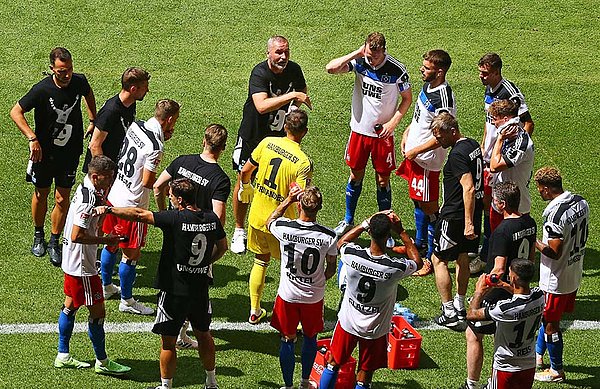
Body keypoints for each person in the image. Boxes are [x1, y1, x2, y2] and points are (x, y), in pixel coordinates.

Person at [94, 178, 227, 389]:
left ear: (181, 200)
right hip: (200, 290)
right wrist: (207, 262)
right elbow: (222, 247)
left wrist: (110, 211)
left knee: (168, 342)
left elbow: (139, 214)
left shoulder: (175, 218)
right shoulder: (212, 218)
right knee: (204, 334)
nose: (170, 199)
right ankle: (211, 382)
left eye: (172, 196)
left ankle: (166, 385)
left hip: (174, 290)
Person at [10, 47, 97, 266]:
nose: (66, 75)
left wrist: (93, 119)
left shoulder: (79, 81)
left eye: (68, 69)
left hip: (70, 151)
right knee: (41, 193)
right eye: (61, 71)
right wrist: (32, 138)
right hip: (45, 153)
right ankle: (38, 235)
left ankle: (54, 240)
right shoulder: (42, 90)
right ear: (52, 69)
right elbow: (15, 112)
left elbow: (88, 93)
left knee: (62, 197)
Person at [325, 32, 412, 247]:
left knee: (383, 180)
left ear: (384, 50)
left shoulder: (396, 70)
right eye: (369, 54)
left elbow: (407, 99)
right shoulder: (360, 62)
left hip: (382, 136)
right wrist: (357, 53)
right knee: (356, 175)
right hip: (359, 132)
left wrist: (392, 124)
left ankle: (385, 226)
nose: (371, 60)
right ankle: (347, 220)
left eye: (375, 56)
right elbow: (331, 68)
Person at [319, 211, 421, 389]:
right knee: (364, 376)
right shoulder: (394, 268)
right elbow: (417, 262)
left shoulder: (352, 255)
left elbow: (341, 242)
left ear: (369, 233)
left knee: (332, 363)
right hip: (375, 329)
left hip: (348, 323)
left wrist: (364, 223)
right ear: (389, 236)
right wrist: (402, 232)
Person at [231, 35, 312, 254]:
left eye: (286, 52)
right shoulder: (260, 73)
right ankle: (239, 229)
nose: (283, 57)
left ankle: (276, 223)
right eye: (278, 52)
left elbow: (303, 94)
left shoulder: (294, 70)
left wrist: (295, 107)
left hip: (278, 138)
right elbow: (261, 106)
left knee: (276, 182)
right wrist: (293, 95)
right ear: (268, 53)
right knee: (243, 179)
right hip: (254, 135)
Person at [153, 123, 230, 350]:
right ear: (222, 148)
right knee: (194, 292)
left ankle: (179, 334)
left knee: (171, 283)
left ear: (204, 141)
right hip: (199, 241)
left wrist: (165, 215)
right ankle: (182, 333)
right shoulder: (220, 179)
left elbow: (158, 187)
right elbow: (218, 217)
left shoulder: (182, 161)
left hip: (175, 234)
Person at [101, 99, 180, 315]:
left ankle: (106, 286)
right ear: (170, 119)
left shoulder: (136, 126)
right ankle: (127, 301)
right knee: (131, 255)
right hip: (133, 206)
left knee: (110, 242)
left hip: (115, 194)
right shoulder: (156, 147)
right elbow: (147, 182)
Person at [54, 155, 130, 376]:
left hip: (72, 260)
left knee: (70, 305)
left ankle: (63, 354)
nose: (112, 181)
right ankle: (103, 362)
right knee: (98, 314)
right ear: (96, 177)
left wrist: (105, 209)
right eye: (108, 178)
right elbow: (78, 235)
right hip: (83, 266)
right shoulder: (88, 200)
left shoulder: (86, 189)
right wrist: (108, 240)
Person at [238, 109, 313, 324]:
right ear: (304, 132)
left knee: (260, 262)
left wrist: (246, 187)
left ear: (284, 127)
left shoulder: (267, 142)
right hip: (282, 225)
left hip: (258, 216)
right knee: (289, 270)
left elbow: (245, 171)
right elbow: (299, 197)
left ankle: (254, 310)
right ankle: (287, 316)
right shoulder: (302, 162)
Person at [463, 182, 537, 389]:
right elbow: (530, 258)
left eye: (494, 200)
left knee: (473, 333)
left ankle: (472, 384)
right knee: (502, 335)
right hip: (520, 288)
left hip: (500, 292)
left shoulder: (502, 231)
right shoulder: (530, 222)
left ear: (502, 204)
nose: (492, 203)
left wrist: (482, 289)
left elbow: (498, 269)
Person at [266, 185, 337, 389]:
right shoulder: (329, 236)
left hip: (288, 295)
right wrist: (319, 280)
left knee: (287, 339)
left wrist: (288, 199)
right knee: (311, 337)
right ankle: (305, 382)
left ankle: (288, 386)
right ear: (319, 208)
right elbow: (331, 268)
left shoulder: (284, 228)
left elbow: (269, 221)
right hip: (313, 296)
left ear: (299, 206)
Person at [472, 53, 535, 275]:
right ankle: (488, 249)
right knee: (489, 203)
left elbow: (528, 122)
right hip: (490, 157)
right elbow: (489, 125)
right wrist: (483, 147)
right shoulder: (489, 89)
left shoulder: (510, 93)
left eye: (485, 73)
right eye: (480, 72)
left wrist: (515, 150)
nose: (481, 76)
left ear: (497, 72)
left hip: (504, 160)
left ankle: (493, 254)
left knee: (504, 206)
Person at [397, 49, 455, 276]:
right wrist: (407, 133)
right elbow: (420, 118)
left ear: (439, 72)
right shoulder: (427, 87)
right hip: (415, 155)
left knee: (430, 210)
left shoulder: (444, 99)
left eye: (427, 68)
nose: (422, 69)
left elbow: (443, 135)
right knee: (417, 201)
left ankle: (432, 258)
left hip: (427, 161)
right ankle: (419, 246)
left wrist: (416, 150)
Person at [533, 167, 589, 383]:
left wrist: (533, 240)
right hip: (574, 271)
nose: (539, 192)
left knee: (550, 324)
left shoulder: (554, 215)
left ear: (546, 189)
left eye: (539, 189)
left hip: (555, 279)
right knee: (548, 317)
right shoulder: (581, 201)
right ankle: (538, 356)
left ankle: (557, 370)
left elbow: (554, 252)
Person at [429, 113, 484, 331]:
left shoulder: (457, 155)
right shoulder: (472, 146)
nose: (437, 139)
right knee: (462, 257)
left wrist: (468, 223)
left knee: (438, 259)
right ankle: (461, 306)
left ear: (452, 131)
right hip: (473, 212)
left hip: (454, 215)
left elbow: (468, 187)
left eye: (439, 134)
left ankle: (449, 312)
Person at [466, 259, 544, 389]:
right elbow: (523, 296)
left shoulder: (504, 309)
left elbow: (471, 314)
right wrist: (503, 285)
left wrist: (478, 291)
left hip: (505, 366)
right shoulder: (539, 296)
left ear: (513, 277)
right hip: (529, 364)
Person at [82, 67, 150, 171]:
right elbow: (95, 146)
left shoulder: (130, 103)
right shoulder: (110, 111)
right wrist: (105, 174)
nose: (147, 90)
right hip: (102, 172)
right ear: (133, 89)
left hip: (116, 164)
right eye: (145, 87)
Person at [487, 99, 534, 232]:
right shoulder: (506, 133)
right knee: (495, 244)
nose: (493, 123)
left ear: (506, 119)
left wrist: (500, 139)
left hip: (516, 208)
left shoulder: (522, 143)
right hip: (499, 202)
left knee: (512, 249)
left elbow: (495, 166)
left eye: (495, 119)